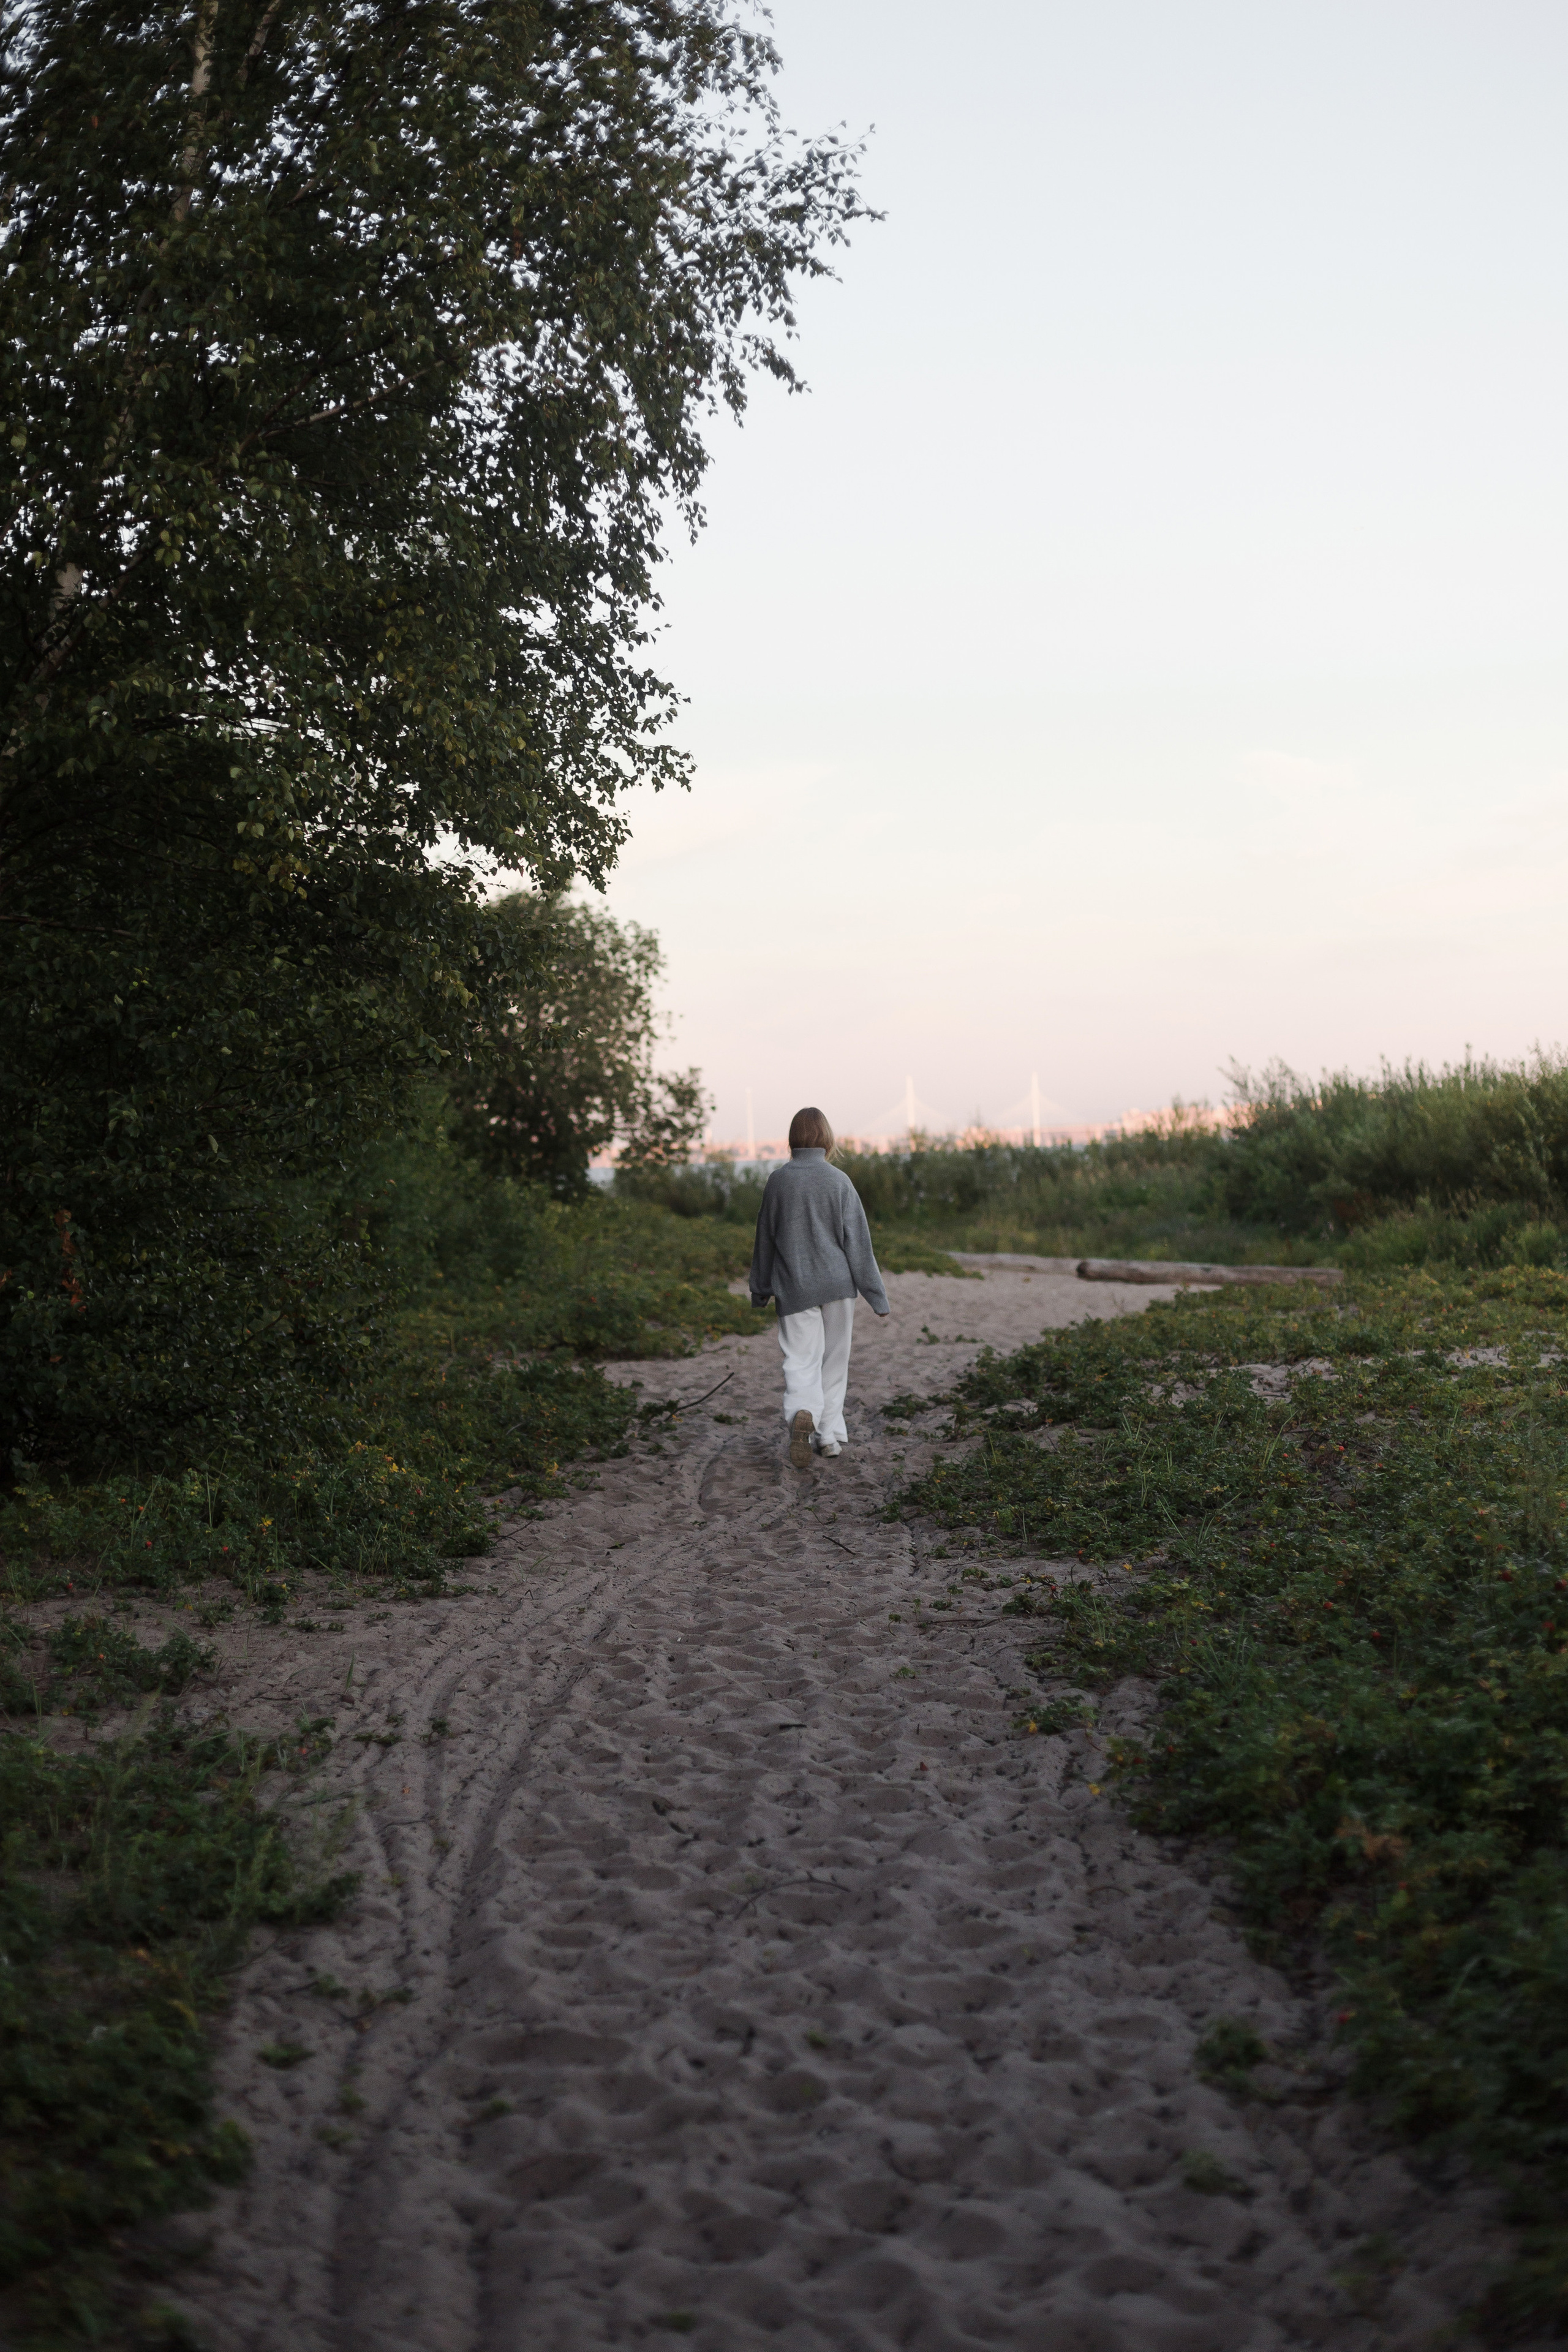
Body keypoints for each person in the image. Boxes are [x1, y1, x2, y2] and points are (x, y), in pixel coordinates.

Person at [748, 1106, 890, 1468]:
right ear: (827, 1138)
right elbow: (858, 1243)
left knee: (800, 1360)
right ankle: (827, 1436)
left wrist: (760, 1287)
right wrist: (876, 1294)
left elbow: (765, 1239)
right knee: (834, 1360)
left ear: (792, 1138)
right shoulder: (839, 1180)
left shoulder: (778, 1180)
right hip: (838, 1286)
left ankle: (801, 1413)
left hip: (794, 1287)